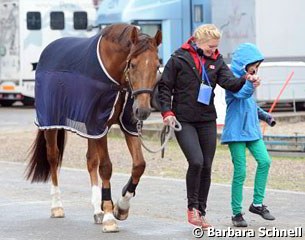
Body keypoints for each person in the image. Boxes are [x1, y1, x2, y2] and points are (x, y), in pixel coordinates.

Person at [157, 24, 259, 229]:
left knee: (207, 166)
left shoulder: (216, 61)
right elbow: (164, 87)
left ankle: (201, 212)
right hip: (183, 119)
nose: (214, 50)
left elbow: (230, 83)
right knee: (196, 161)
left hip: (206, 120)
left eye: (216, 46)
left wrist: (246, 80)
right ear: (199, 41)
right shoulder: (178, 58)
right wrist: (167, 112)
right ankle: (191, 208)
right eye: (211, 46)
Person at [221, 43, 276, 228]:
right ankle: (236, 213)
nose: (255, 68)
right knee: (241, 172)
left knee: (265, 161)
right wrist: (251, 84)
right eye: (253, 65)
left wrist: (266, 117)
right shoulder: (232, 81)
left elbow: (251, 105)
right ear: (243, 64)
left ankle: (257, 204)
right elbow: (242, 95)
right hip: (236, 133)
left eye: (257, 65)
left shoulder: (249, 81)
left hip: (252, 132)